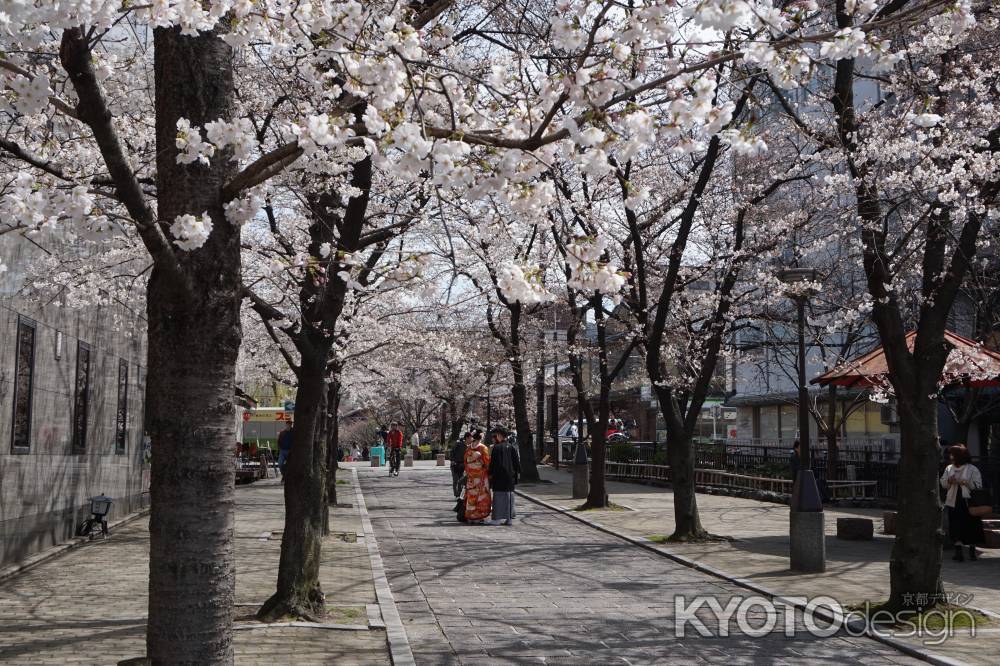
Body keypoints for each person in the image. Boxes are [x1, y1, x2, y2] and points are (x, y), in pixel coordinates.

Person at [941, 444, 985, 561]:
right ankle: (958, 551)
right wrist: (949, 481)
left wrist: (965, 482)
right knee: (955, 525)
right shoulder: (949, 468)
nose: (950, 456)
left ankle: (972, 550)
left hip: (969, 500)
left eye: (952, 454)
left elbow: (978, 485)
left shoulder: (972, 469)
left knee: (971, 524)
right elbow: (943, 483)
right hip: (954, 500)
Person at [488, 426, 520, 525]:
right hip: (510, 476)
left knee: (499, 497)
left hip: (500, 476)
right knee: (509, 497)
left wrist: (490, 473)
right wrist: (516, 473)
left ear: (499, 435)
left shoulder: (497, 448)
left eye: (495, 435)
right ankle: (509, 519)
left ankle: (497, 518)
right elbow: (516, 463)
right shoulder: (511, 447)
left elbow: (494, 463)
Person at [463, 430, 492, 523]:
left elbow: (465, 463)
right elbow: (487, 463)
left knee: (471, 495)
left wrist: (469, 471)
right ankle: (479, 516)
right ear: (481, 437)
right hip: (481, 475)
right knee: (481, 495)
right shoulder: (483, 448)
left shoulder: (468, 448)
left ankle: (470, 516)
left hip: (471, 476)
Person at [451, 432, 471, 497]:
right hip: (455, 464)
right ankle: (456, 494)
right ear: (467, 438)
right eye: (470, 438)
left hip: (462, 465)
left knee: (461, 480)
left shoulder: (469, 447)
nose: (471, 439)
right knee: (455, 480)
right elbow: (452, 452)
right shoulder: (459, 444)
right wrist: (452, 460)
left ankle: (459, 494)